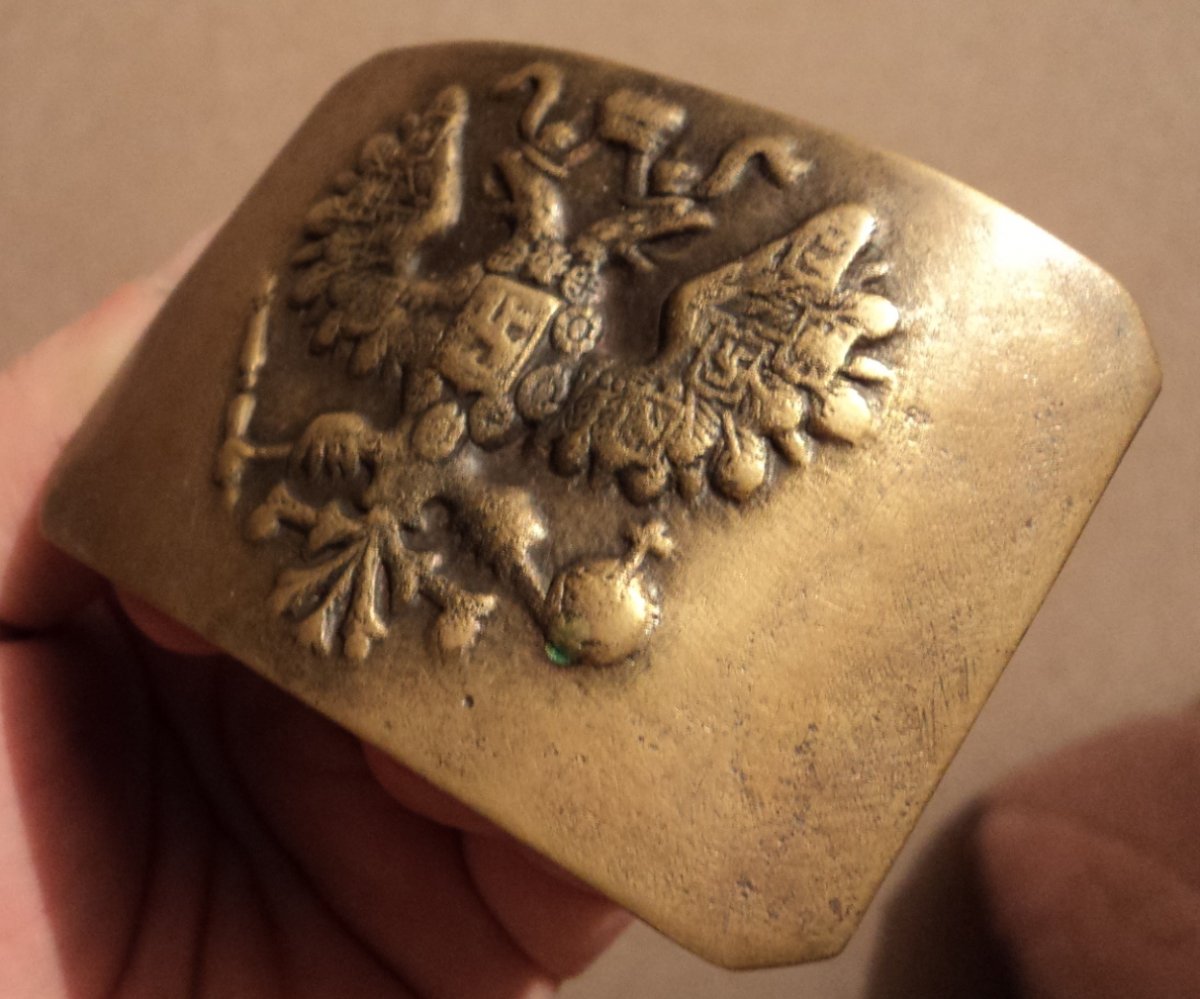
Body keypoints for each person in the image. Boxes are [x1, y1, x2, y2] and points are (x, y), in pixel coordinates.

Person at [1, 234, 1197, 997]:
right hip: (298, 566)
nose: (497, 325)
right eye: (498, 308)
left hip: (427, 555)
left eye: (522, 315)